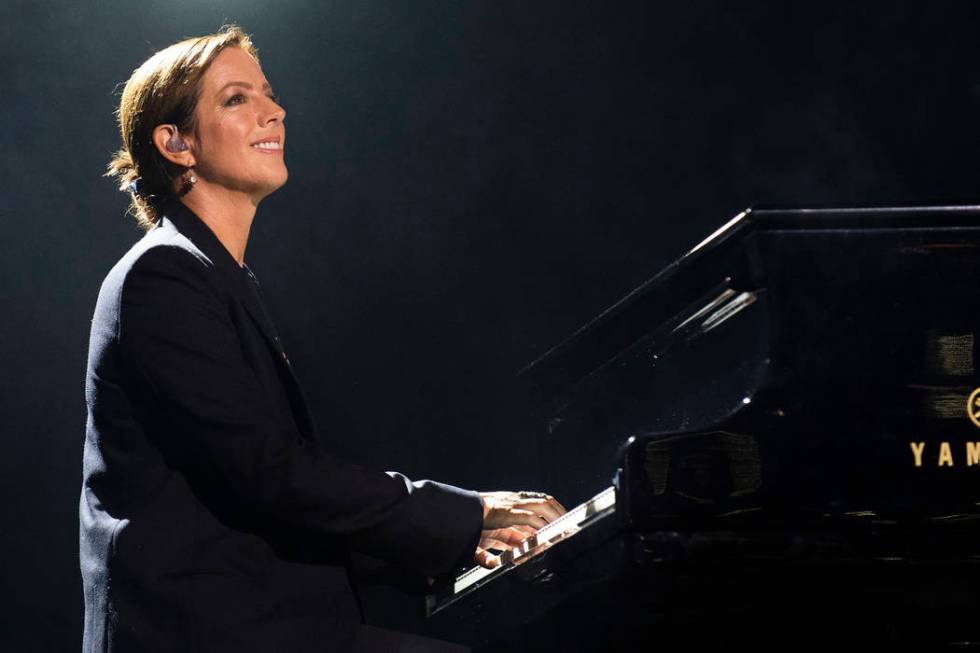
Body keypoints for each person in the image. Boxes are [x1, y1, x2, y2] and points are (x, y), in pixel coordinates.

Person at [80, 25, 564, 652]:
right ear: (176, 143)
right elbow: (271, 474)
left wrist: (451, 545)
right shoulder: (161, 277)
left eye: (269, 94)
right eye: (236, 99)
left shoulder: (208, 275)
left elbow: (273, 494)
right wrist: (469, 512)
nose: (273, 110)